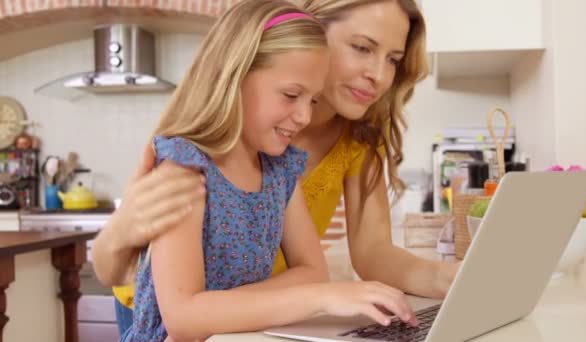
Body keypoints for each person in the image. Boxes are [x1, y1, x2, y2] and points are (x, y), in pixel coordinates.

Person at [92, 0, 459, 335]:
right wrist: (318, 294)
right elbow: (179, 311)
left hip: (254, 320)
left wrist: (453, 278)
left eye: (393, 58)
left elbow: (349, 260)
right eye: (362, 47)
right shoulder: (196, 160)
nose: (379, 75)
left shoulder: (288, 160)